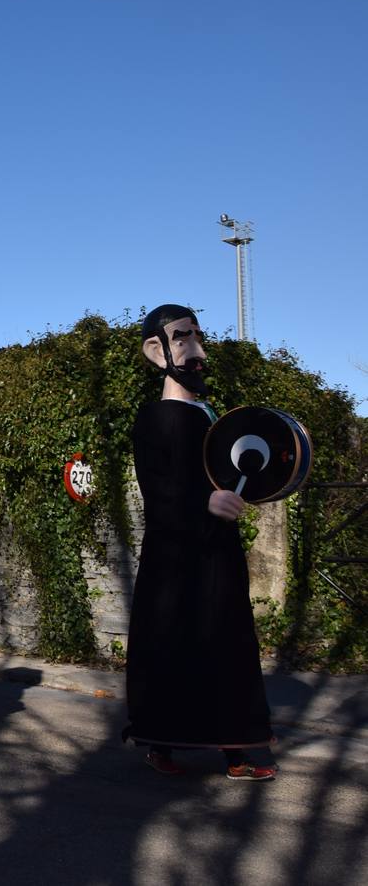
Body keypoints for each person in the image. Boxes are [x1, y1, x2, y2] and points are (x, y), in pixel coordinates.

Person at [122, 304, 276, 781]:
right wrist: (204, 505)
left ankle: (229, 747)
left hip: (216, 557)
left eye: (196, 337)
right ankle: (182, 744)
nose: (197, 350)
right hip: (175, 559)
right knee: (176, 644)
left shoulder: (209, 415)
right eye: (183, 338)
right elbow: (160, 489)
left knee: (222, 644)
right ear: (157, 350)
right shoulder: (156, 419)